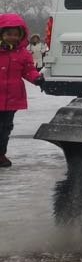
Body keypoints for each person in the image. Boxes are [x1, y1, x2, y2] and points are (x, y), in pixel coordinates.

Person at [1, 14, 44, 167]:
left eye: (15, 34)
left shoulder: (23, 54)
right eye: (8, 34)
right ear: (2, 34)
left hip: (12, 97)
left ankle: (1, 154)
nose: (12, 37)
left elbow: (28, 71)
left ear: (21, 35)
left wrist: (37, 79)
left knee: (6, 127)